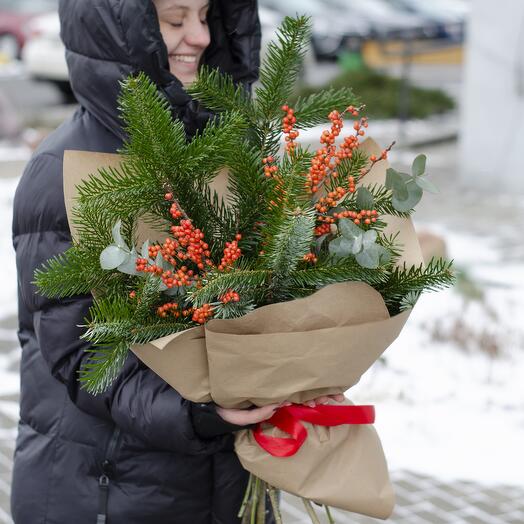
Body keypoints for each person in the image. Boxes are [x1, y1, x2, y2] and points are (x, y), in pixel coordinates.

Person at [11, 1, 342, 522]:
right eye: (173, 19)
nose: (201, 36)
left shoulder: (231, 153)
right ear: (119, 32)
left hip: (227, 485)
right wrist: (202, 410)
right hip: (110, 491)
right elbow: (81, 361)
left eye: (207, 15)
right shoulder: (65, 174)